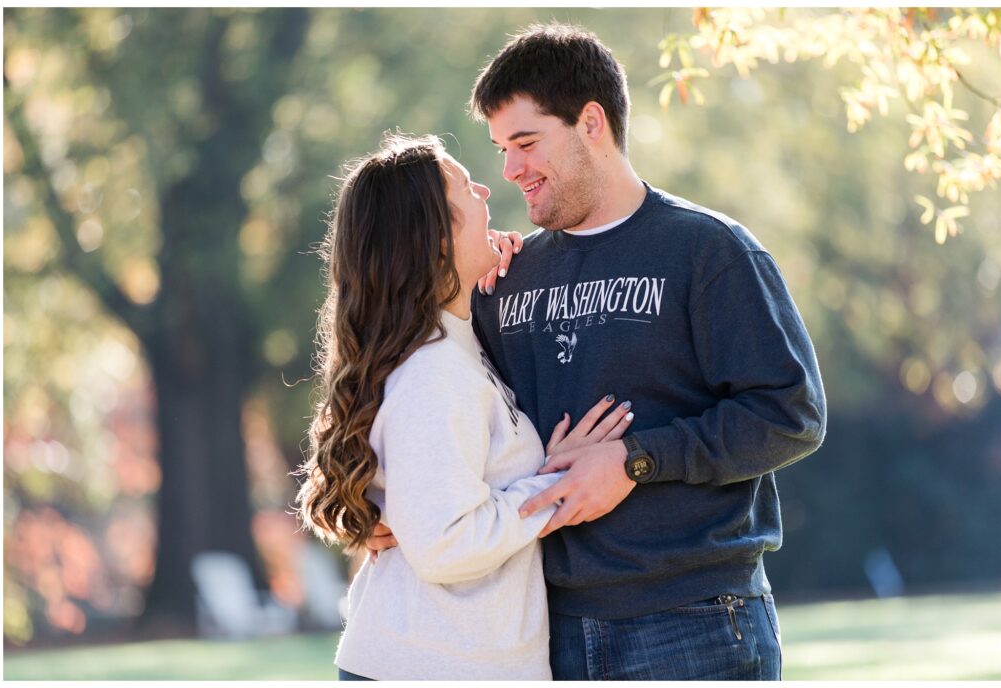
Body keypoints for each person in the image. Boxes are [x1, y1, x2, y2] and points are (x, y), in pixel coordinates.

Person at [463, 24, 828, 680]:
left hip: (696, 620)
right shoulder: (504, 278)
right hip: (547, 628)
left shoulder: (707, 250)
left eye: (525, 143)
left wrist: (634, 460)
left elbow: (790, 415)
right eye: (501, 149)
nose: (510, 169)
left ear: (591, 123)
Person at [294, 133, 636, 681]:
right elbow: (446, 544)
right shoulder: (432, 371)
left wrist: (488, 277)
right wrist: (557, 483)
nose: (484, 188)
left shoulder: (452, 342)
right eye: (462, 187)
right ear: (435, 237)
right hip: (432, 665)